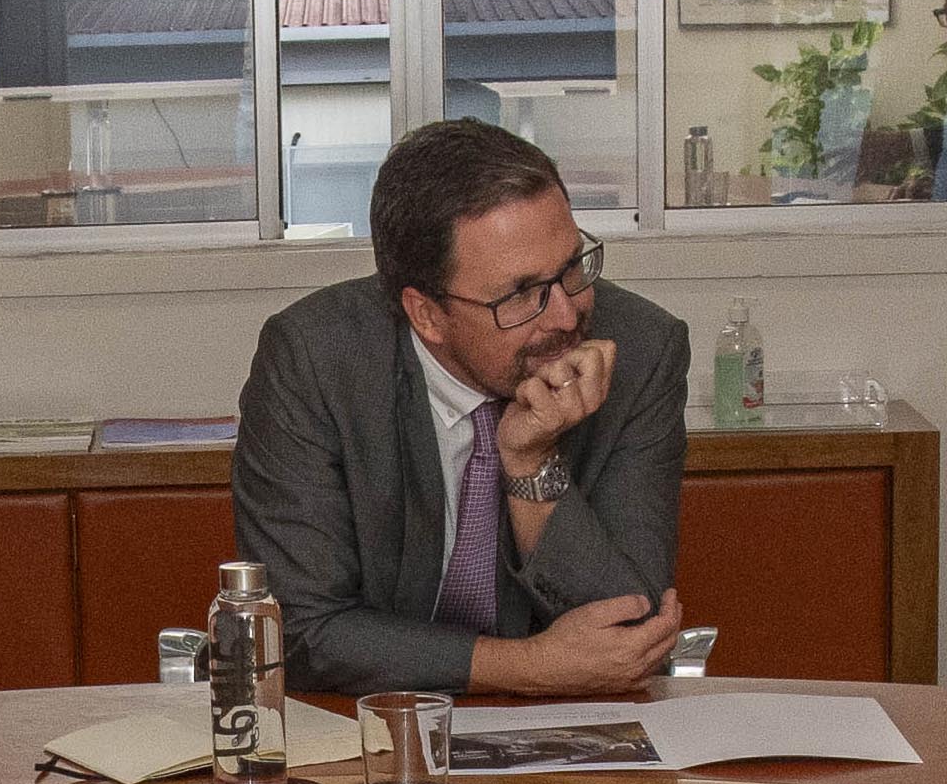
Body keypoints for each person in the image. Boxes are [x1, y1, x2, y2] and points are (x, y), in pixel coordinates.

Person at [230, 116, 698, 705]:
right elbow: (298, 630)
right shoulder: (316, 360)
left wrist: (532, 465)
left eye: (573, 267)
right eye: (522, 294)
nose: (566, 315)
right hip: (370, 721)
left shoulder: (641, 349)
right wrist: (526, 666)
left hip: (568, 725)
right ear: (426, 315)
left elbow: (628, 631)